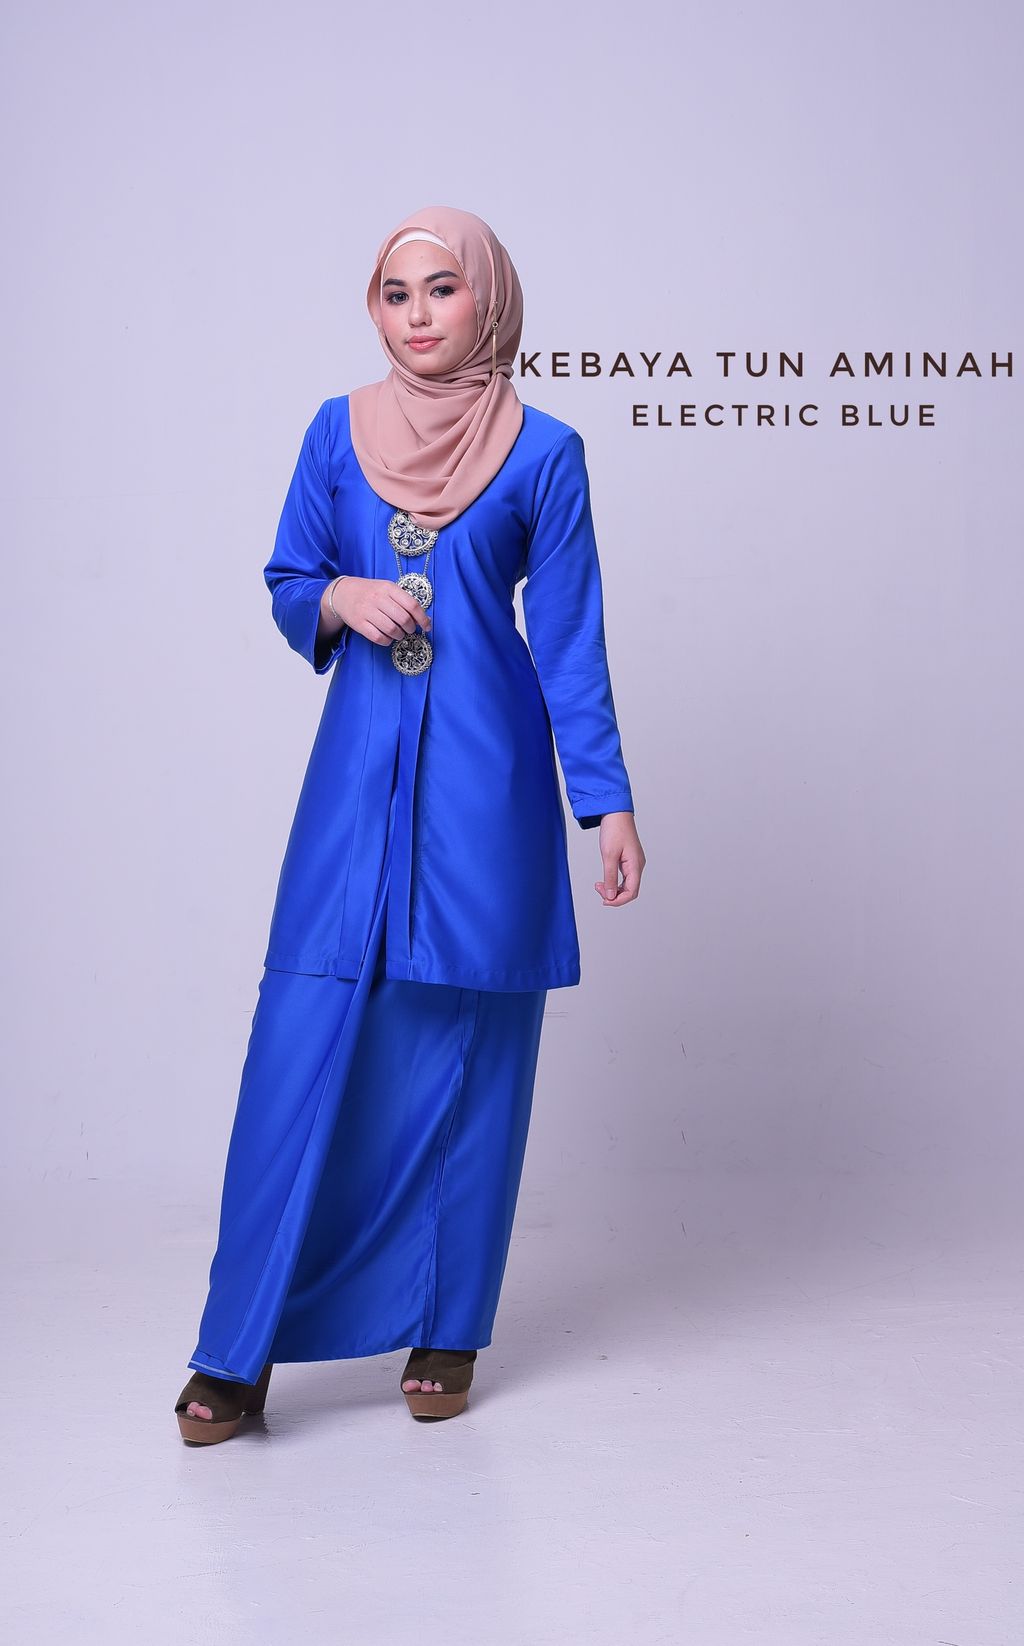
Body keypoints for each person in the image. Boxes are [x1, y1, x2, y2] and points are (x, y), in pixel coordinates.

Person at [174, 204, 646, 1442]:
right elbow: (288, 576)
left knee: (471, 1054)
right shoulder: (334, 432)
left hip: (489, 789)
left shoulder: (546, 451)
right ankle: (235, 1349)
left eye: (443, 287)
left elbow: (571, 639)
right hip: (354, 783)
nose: (419, 312)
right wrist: (337, 593)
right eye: (396, 292)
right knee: (301, 1041)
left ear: (488, 299)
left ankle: (448, 1324)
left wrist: (604, 801)